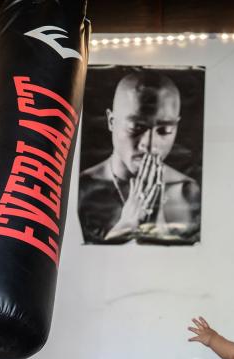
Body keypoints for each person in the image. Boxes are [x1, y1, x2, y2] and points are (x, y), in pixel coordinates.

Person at [78, 70, 201, 244]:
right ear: (111, 122)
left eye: (165, 131)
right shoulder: (82, 190)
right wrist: (127, 224)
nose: (150, 145)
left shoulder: (187, 192)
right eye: (136, 128)